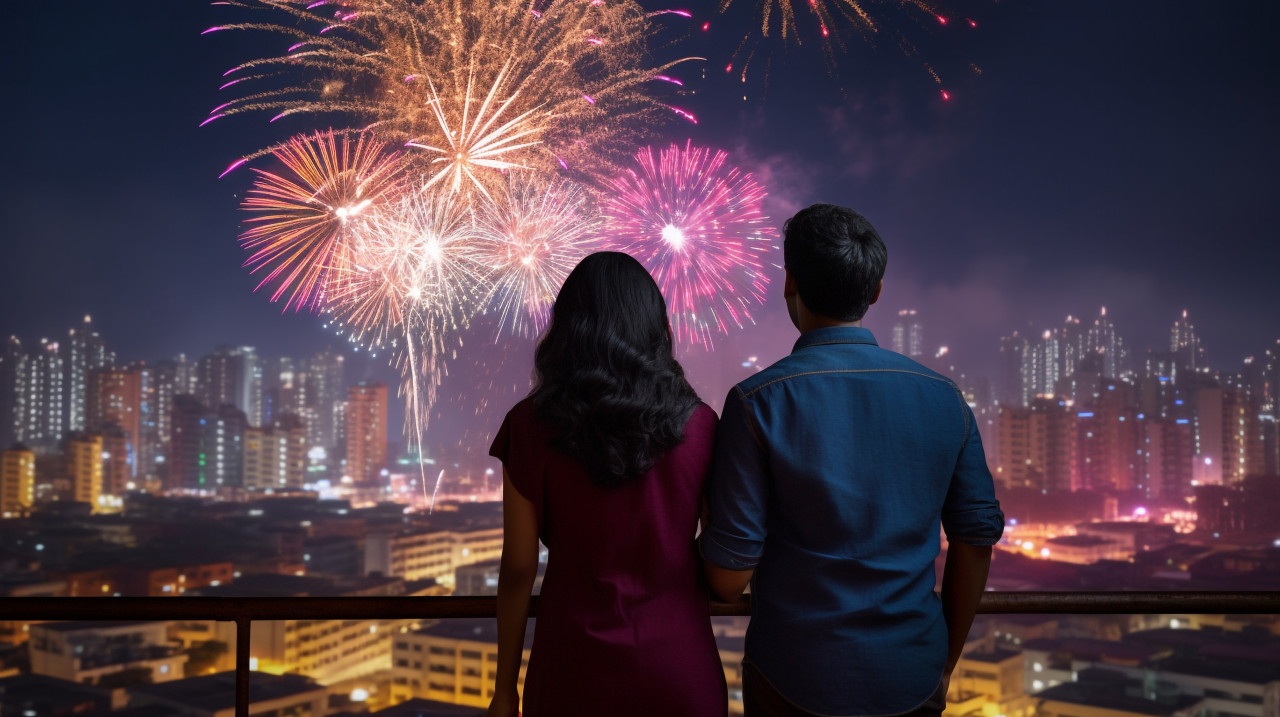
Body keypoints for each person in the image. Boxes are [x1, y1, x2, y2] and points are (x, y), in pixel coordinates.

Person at [699, 204, 1005, 717]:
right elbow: (976, 540)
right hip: (913, 674)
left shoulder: (758, 400)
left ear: (789, 282)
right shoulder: (944, 398)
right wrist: (943, 661)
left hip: (795, 677)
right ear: (876, 289)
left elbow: (728, 578)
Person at [487, 251, 728, 717]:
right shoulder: (702, 426)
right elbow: (722, 564)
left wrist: (504, 689)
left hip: (570, 667)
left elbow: (518, 566)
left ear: (568, 328)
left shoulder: (528, 424)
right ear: (656, 328)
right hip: (679, 668)